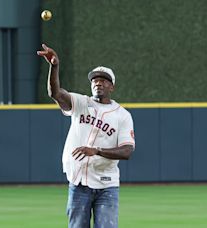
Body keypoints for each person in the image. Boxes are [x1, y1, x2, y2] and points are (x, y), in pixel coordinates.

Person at [37, 44, 135, 228]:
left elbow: (127, 151)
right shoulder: (81, 103)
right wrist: (54, 67)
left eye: (104, 80)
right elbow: (55, 93)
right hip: (78, 183)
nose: (98, 83)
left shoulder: (123, 115)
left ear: (112, 86)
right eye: (95, 80)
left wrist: (96, 151)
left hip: (107, 185)